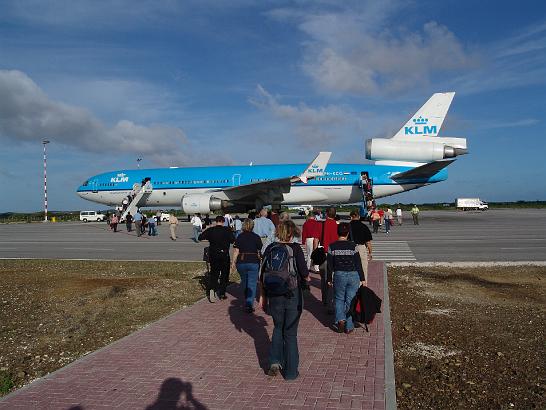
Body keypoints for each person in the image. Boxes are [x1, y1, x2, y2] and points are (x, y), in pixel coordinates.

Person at [259, 220, 309, 380]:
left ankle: (274, 361)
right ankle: (290, 372)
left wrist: (262, 296)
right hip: (292, 295)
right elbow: (305, 273)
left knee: (277, 328)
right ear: (291, 233)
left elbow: (261, 275)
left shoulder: (270, 249)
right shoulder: (295, 249)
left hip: (274, 294)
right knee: (290, 334)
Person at [327, 222, 366, 334]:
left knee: (339, 298)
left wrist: (329, 279)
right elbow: (358, 263)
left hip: (339, 274)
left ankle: (340, 320)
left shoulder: (332, 246)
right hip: (353, 275)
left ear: (337, 232)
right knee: (351, 300)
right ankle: (349, 326)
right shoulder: (353, 246)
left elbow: (330, 265)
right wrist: (363, 279)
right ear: (348, 233)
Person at [199, 216, 235, 302]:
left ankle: (212, 289)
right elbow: (233, 240)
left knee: (214, 273)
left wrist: (210, 239)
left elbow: (200, 237)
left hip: (213, 255)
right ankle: (222, 293)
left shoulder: (211, 230)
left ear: (216, 221)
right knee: (224, 274)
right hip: (224, 255)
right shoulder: (227, 230)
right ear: (223, 222)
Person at [231, 218, 262, 312]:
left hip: (241, 261)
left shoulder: (239, 236)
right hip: (253, 261)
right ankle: (249, 303)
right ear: (252, 226)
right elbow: (259, 249)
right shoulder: (256, 237)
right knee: (252, 283)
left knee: (244, 281)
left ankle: (246, 295)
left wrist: (233, 262)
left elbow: (236, 250)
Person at [319, 207, 339, 312]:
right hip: (335, 254)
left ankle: (325, 299)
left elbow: (317, 239)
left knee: (325, 278)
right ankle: (334, 300)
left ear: (326, 214)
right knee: (334, 278)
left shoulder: (322, 224)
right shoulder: (337, 225)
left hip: (325, 253)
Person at [348, 209, 373, 283]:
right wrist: (370, 252)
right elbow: (368, 242)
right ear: (359, 217)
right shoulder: (364, 226)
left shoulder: (347, 226)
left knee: (350, 269)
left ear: (351, 217)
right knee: (363, 269)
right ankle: (363, 287)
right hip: (361, 248)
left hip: (350, 248)